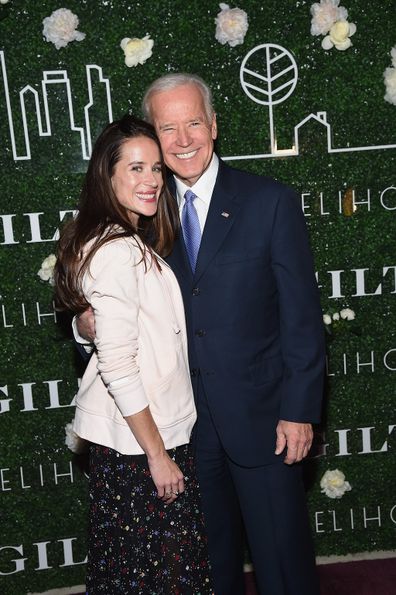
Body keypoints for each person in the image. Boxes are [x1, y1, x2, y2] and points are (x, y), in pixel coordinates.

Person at [77, 74, 325, 595]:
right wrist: (84, 323)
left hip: (265, 421)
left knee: (283, 563)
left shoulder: (269, 202)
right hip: (183, 431)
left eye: (194, 122)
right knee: (204, 571)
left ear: (214, 126)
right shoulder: (143, 206)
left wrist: (300, 409)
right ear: (154, 136)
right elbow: (109, 302)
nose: (183, 138)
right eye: (168, 128)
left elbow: (301, 317)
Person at [54, 114, 212, 594]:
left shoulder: (115, 240)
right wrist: (159, 455)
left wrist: (86, 326)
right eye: (136, 169)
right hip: (140, 450)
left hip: (133, 446)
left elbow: (112, 333)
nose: (151, 181)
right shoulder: (119, 250)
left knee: (133, 575)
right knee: (161, 579)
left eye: (156, 170)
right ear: (109, 175)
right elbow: (119, 365)